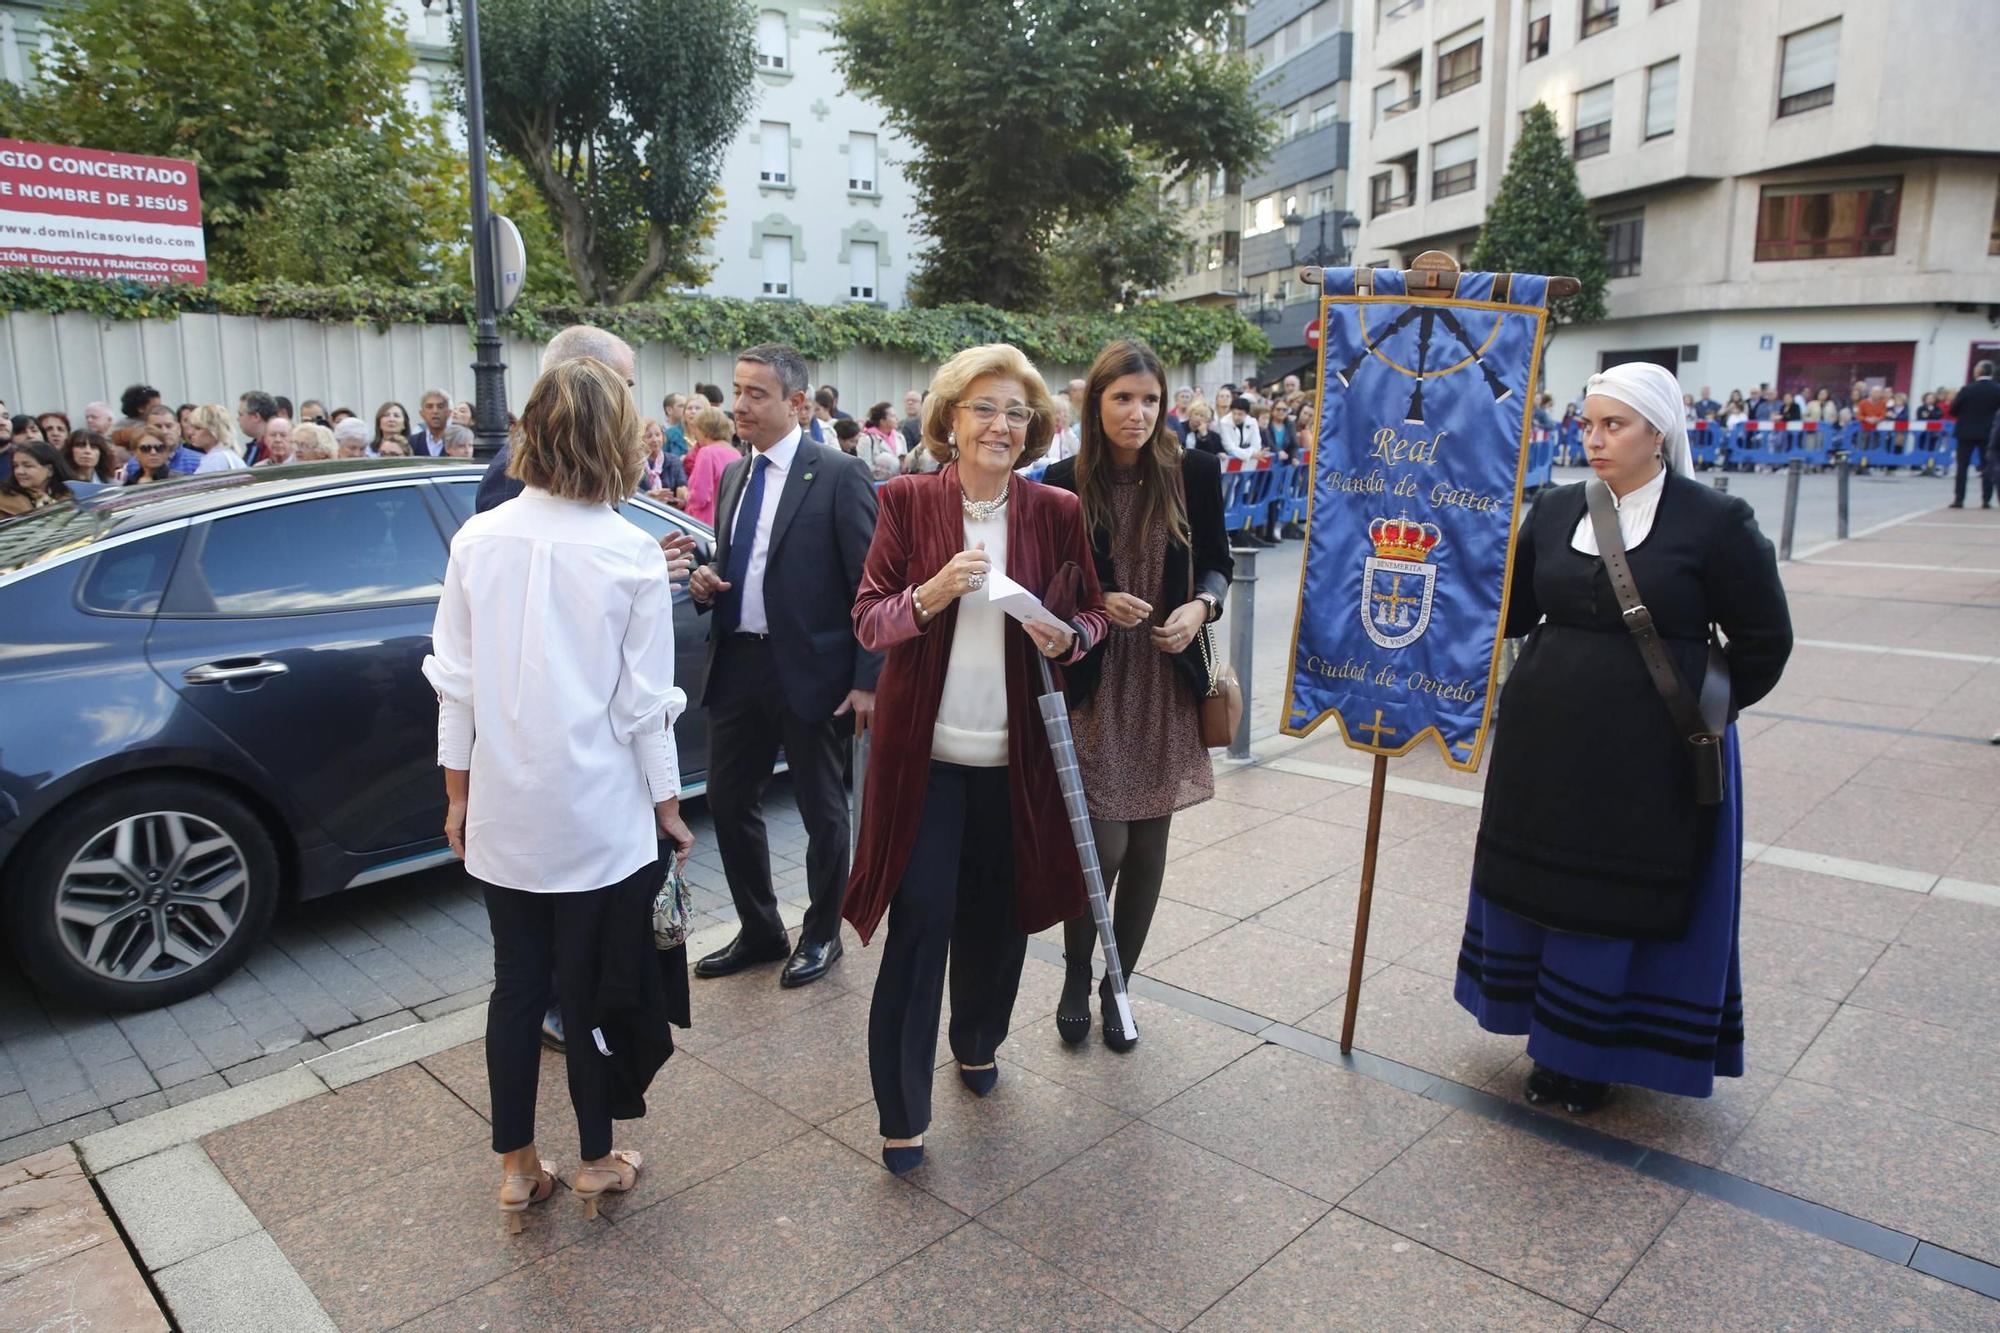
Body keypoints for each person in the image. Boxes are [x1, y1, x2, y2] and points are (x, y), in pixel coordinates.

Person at [1456, 361, 1792, 1114]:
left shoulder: (1714, 521)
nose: (1596, 439)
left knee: (1613, 900)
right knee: (1542, 888)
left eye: (1615, 425)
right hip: (1543, 748)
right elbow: (1505, 614)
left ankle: (1586, 1056)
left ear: (1659, 432)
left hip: (1649, 757)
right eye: (1588, 423)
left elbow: (1766, 639)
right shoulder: (1553, 508)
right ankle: (1542, 1029)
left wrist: (1707, 713)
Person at [423, 354, 696, 1233]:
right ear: (618, 441)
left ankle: (514, 1167)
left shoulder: (478, 538)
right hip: (600, 814)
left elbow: (454, 684)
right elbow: (644, 706)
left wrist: (457, 797)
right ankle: (592, 1158)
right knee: (587, 991)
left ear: (533, 432)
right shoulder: (628, 552)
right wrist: (669, 806)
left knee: (515, 984)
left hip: (506, 806)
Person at [846, 342, 1109, 1173]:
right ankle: (901, 1111)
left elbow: (1094, 618)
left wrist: (1066, 634)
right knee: (921, 919)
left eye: (1018, 413)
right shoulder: (905, 502)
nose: (1002, 425)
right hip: (924, 761)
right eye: (986, 409)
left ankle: (978, 1037)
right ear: (950, 419)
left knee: (998, 918)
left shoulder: (1055, 512)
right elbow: (868, 620)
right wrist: (927, 594)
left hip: (1017, 758)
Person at [1040, 340, 1230, 1050]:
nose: (1138, 412)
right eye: (1122, 398)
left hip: (1164, 677)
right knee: (1103, 844)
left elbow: (1218, 561)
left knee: (1149, 847)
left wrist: (1200, 608)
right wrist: (1097, 597)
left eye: (1149, 399)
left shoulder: (1194, 472)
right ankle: (1075, 969)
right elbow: (1047, 584)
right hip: (1096, 683)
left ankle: (1117, 986)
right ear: (1096, 403)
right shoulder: (1062, 480)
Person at [687, 343, 882, 990]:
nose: (739, 404)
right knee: (727, 798)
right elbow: (739, 555)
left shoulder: (838, 473)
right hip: (738, 663)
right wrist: (706, 576)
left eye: (756, 393)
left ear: (797, 403)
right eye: (737, 390)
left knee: (822, 809)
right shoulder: (738, 474)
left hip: (812, 671)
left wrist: (865, 681)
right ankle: (763, 929)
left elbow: (870, 584)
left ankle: (822, 932)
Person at [1947, 361, 2000, 509]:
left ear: (1978, 372)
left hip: (1966, 432)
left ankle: (1959, 499)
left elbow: (1953, 410)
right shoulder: (1997, 389)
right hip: (1989, 433)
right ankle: (1986, 499)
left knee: (1962, 467)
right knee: (1987, 467)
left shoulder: (1967, 389)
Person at [682, 406, 736, 526]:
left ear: (704, 430)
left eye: (695, 429)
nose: (695, 434)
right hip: (728, 522)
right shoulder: (735, 453)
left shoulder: (707, 452)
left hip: (704, 524)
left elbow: (700, 497)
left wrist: (685, 495)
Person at [0, 441, 72, 516]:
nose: (19, 471)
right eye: (15, 466)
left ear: (50, 470)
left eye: (28, 466)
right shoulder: (4, 498)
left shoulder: (70, 495)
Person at [639, 419, 690, 503]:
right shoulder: (636, 464)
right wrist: (647, 496)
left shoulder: (674, 461)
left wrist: (682, 496)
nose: (655, 440)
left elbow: (682, 486)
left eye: (658, 435)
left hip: (669, 511)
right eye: (649, 436)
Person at [187, 405, 248, 472]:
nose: (190, 432)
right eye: (191, 427)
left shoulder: (216, 459)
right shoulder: (226, 455)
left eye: (198, 428)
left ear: (214, 430)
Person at [858, 402, 902, 480]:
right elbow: (864, 467)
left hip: (899, 483)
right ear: (882, 421)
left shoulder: (900, 437)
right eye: (892, 416)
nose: (897, 419)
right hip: (878, 484)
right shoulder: (867, 439)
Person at [237, 392, 279, 465]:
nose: (237, 419)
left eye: (241, 414)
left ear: (256, 417)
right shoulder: (254, 446)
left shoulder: (275, 448)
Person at [410, 390, 454, 457]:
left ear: (449, 413)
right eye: (429, 407)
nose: (435, 411)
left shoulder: (458, 441)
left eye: (440, 407)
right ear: (422, 413)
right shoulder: (412, 442)